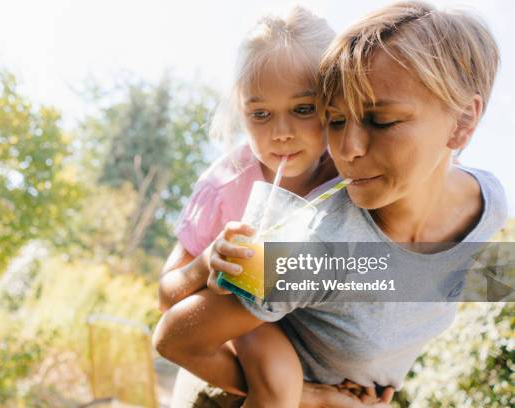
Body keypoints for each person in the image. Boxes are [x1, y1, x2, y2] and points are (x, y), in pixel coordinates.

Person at [153, 1, 507, 407]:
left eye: (381, 120)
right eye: (337, 120)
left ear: (463, 121)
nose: (348, 150)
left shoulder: (490, 202)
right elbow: (172, 330)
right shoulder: (309, 241)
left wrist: (382, 363)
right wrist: (310, 396)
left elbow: (449, 283)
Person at [156, 5, 352, 407]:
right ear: (240, 111)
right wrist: (208, 262)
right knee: (269, 352)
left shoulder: (350, 178)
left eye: (302, 109)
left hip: (323, 352)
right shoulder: (227, 184)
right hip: (232, 353)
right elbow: (165, 297)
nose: (281, 133)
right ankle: (307, 395)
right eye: (260, 114)